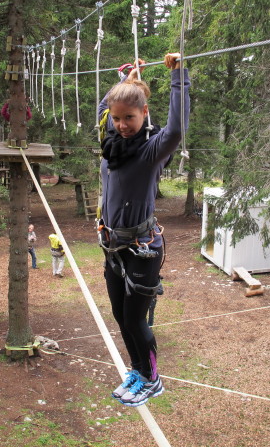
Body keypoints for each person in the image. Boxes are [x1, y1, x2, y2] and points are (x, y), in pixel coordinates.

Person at [98, 53, 189, 408]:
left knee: (135, 320)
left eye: (129, 118)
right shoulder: (112, 147)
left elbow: (178, 128)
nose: (121, 124)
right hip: (112, 246)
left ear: (144, 113)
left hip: (142, 247)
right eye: (117, 118)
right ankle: (136, 370)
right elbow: (106, 107)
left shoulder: (152, 151)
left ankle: (153, 379)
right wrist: (128, 77)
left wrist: (179, 76)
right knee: (121, 316)